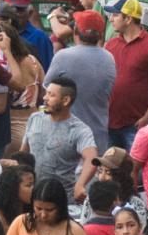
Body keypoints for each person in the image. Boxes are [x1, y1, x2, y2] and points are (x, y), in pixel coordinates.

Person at [43, 9, 116, 151]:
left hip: (66, 135)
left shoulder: (64, 56)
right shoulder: (109, 58)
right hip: (97, 135)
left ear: (75, 30)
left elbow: (47, 90)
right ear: (101, 34)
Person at [104, 0, 148, 151]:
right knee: (109, 171)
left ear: (128, 19)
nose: (111, 19)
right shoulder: (111, 45)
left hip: (136, 124)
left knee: (136, 171)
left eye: (115, 15)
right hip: (110, 122)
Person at [21, 75, 99, 200]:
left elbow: (92, 157)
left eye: (51, 95)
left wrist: (80, 184)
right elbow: (23, 154)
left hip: (62, 199)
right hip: (32, 196)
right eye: (46, 93)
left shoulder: (79, 130)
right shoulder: (34, 119)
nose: (44, 98)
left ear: (66, 100)